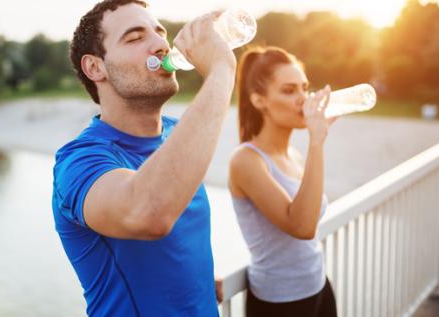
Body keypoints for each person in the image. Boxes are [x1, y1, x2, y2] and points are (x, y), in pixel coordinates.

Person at [51, 1, 236, 316]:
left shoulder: (178, 134)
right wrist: (221, 69)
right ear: (95, 67)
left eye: (159, 32)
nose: (161, 45)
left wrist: (197, 281)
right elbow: (149, 213)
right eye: (135, 38)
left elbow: (176, 244)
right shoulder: (78, 162)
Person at [228, 46, 338, 316]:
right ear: (259, 101)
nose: (303, 98)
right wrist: (317, 140)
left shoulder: (294, 155)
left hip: (318, 286)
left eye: (304, 87)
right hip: (280, 302)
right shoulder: (246, 160)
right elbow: (302, 226)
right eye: (289, 91)